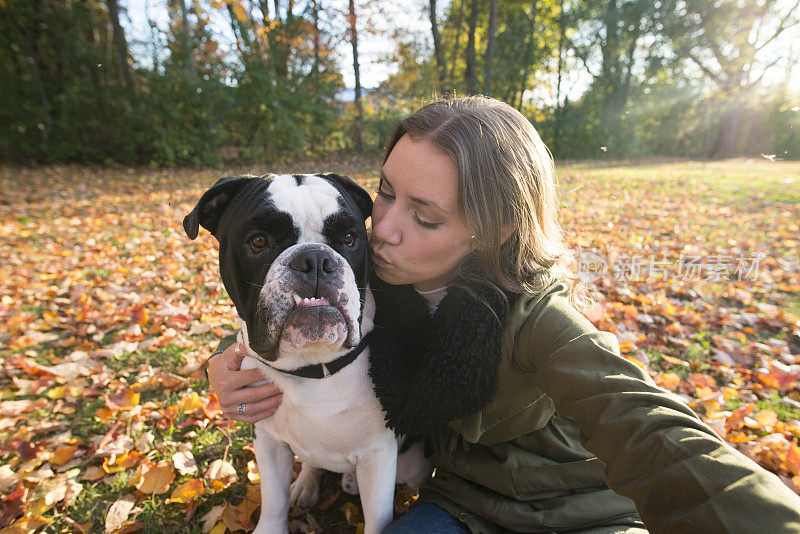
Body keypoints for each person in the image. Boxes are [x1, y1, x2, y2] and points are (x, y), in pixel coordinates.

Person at [206, 96, 800, 533]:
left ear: (492, 233)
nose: (381, 229)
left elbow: (648, 426)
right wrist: (225, 365)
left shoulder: (539, 319)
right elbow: (289, 326)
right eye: (385, 192)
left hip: (584, 513)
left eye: (425, 215)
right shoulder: (379, 287)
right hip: (462, 503)